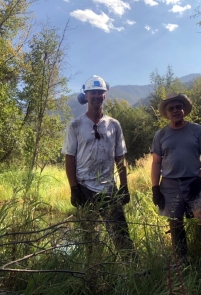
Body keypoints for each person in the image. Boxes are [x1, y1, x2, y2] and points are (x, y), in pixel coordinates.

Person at [62, 75, 136, 262]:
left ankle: (133, 271)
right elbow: (69, 158)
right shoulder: (75, 125)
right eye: (92, 92)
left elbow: (120, 157)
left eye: (100, 92)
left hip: (109, 189)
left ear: (105, 96)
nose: (96, 95)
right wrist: (73, 188)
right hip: (84, 188)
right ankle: (94, 275)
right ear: (85, 96)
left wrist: (124, 186)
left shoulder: (114, 125)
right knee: (89, 237)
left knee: (121, 237)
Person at [151, 92, 201, 280]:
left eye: (178, 107)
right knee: (175, 222)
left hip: (194, 182)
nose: (175, 111)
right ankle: (182, 262)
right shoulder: (161, 135)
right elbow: (156, 163)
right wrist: (155, 188)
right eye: (171, 108)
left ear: (184, 109)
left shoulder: (197, 130)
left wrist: (200, 179)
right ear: (166, 113)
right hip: (170, 184)